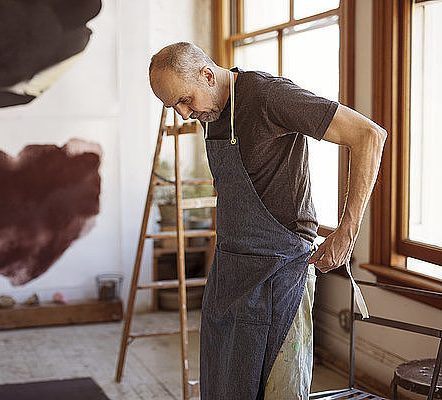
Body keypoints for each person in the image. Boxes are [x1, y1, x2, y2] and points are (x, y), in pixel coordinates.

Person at [148, 42, 386, 399]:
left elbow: (368, 136)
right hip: (230, 275)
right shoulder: (213, 113)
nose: (183, 114)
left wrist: (347, 231)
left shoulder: (268, 96)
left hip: (281, 274)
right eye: (174, 107)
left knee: (281, 392)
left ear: (207, 75)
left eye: (185, 100)